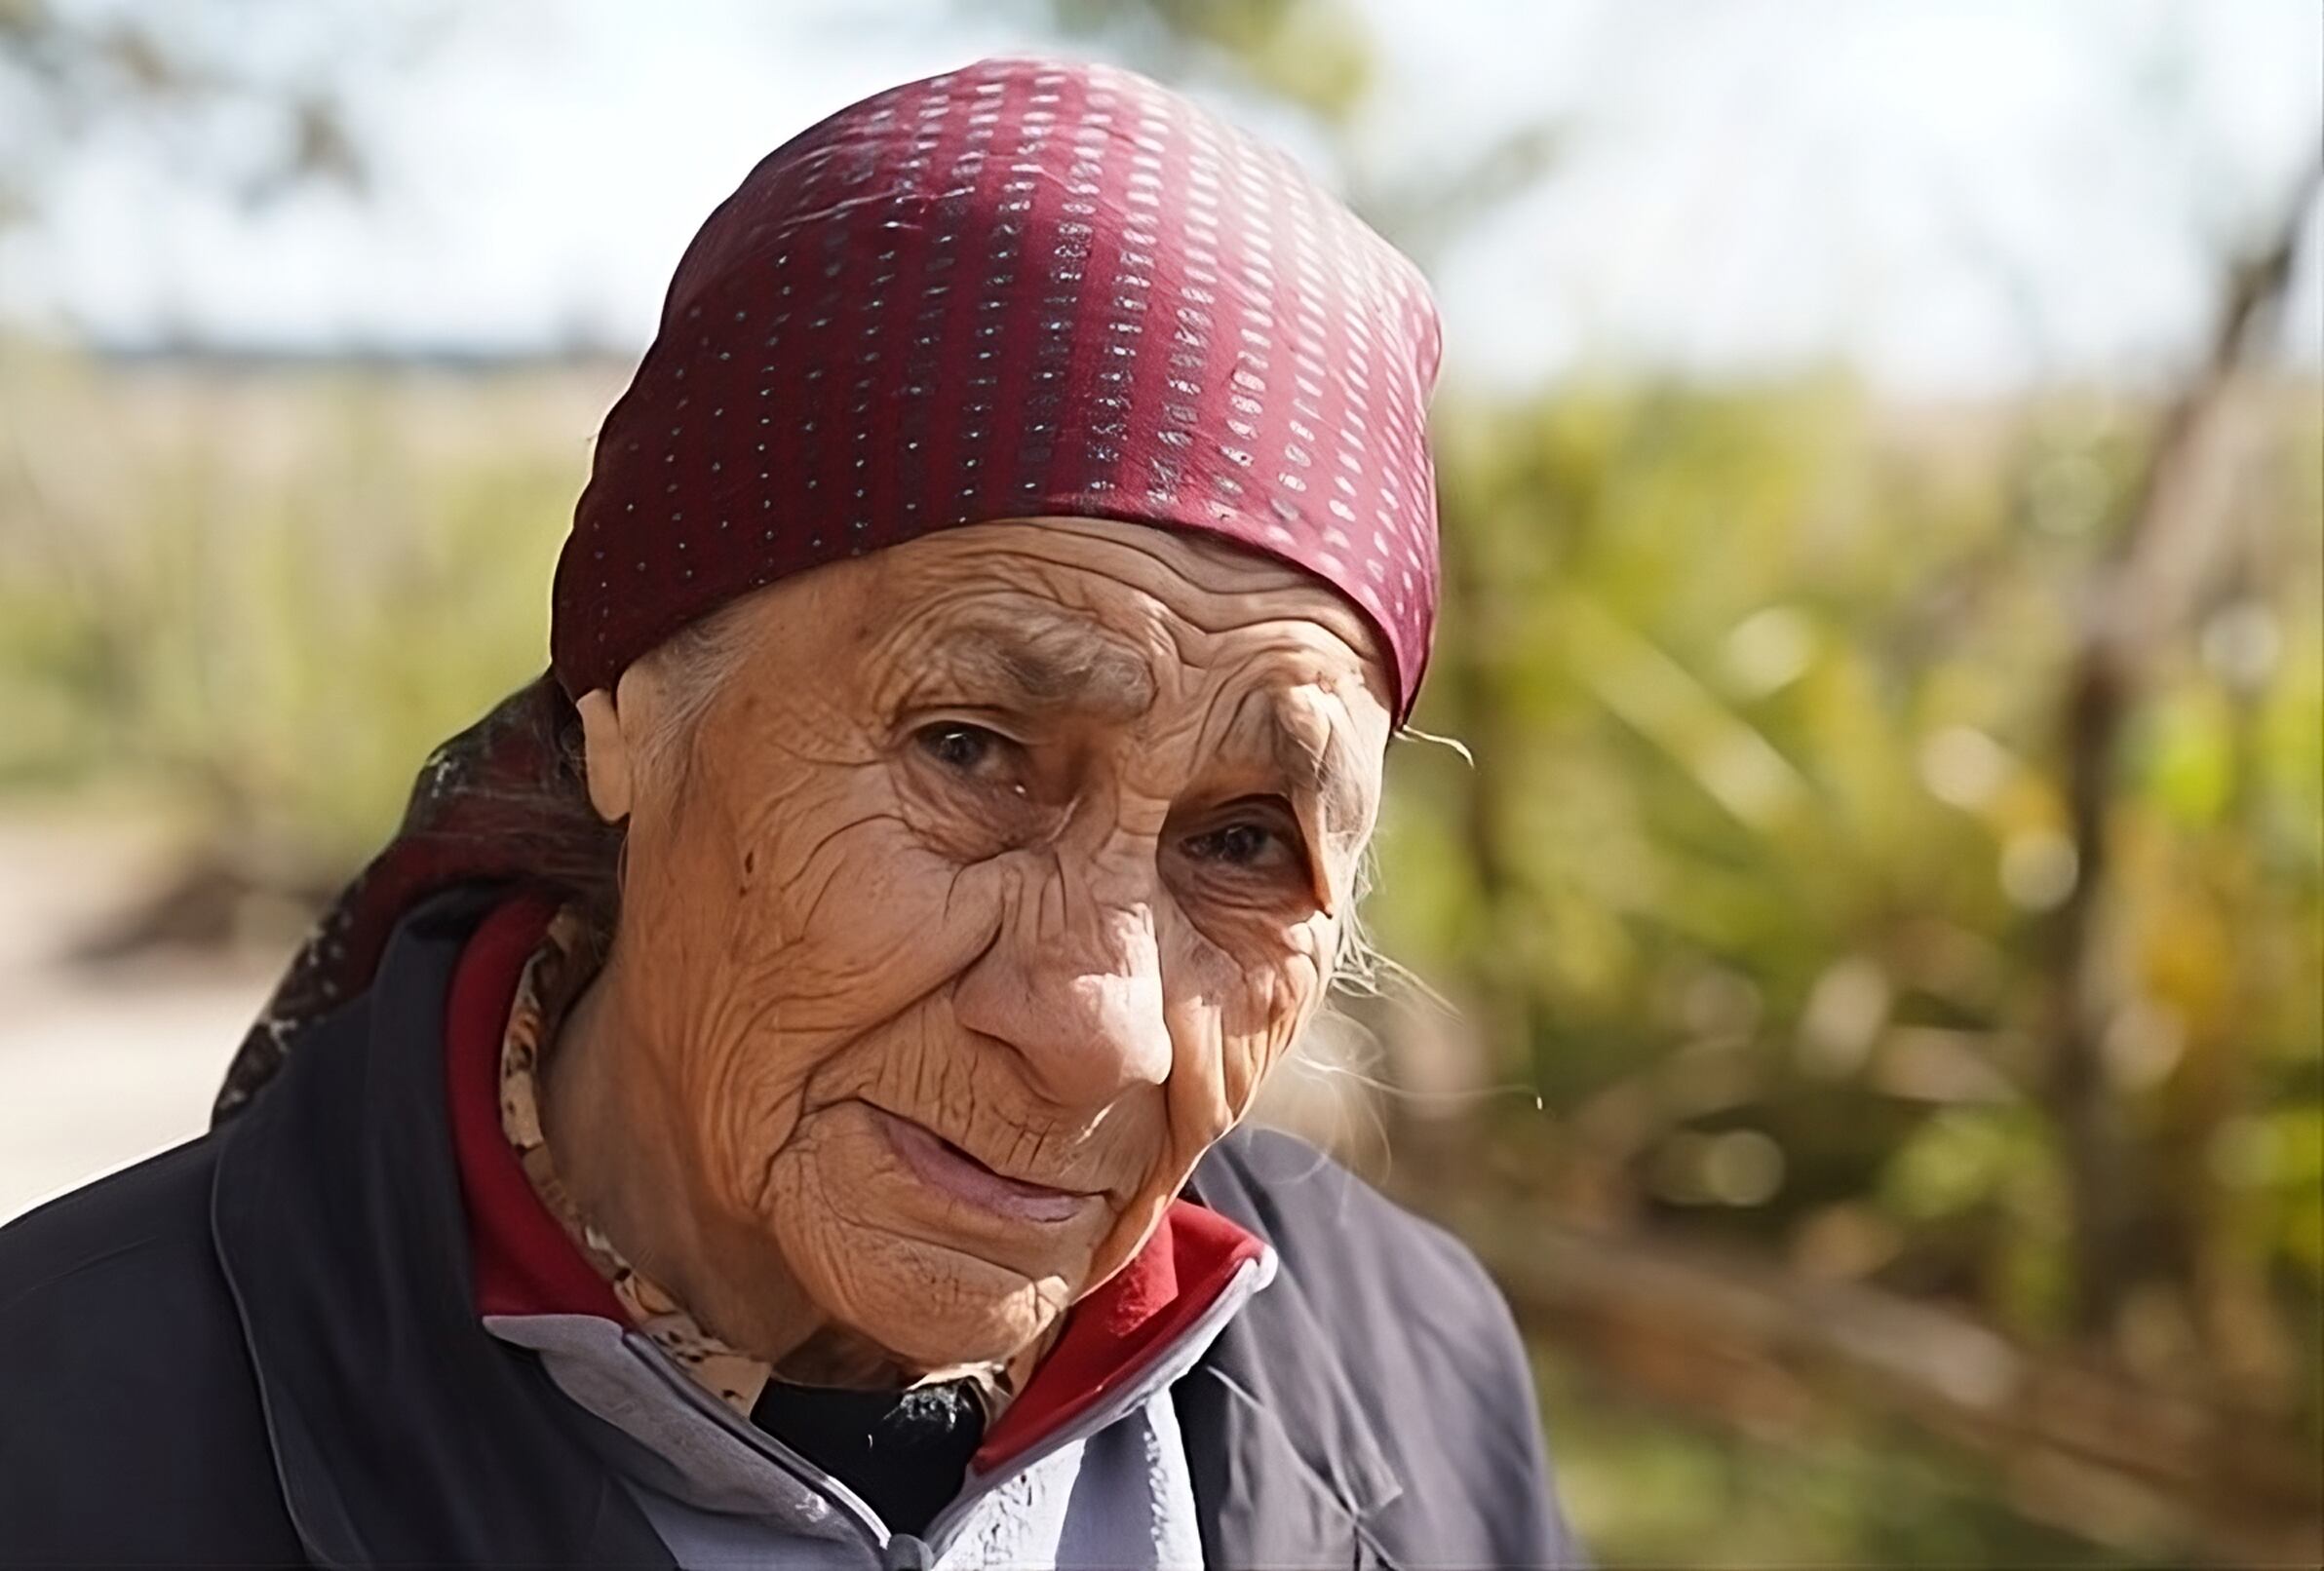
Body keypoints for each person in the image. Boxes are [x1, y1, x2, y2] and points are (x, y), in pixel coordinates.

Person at [0, 56, 1577, 1569]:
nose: (1105, 1033)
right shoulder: (70, 1438)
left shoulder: (1416, 1384)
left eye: (1243, 844)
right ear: (627, 704)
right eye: (970, 751)